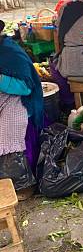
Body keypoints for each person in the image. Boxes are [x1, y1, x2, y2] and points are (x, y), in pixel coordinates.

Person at [0, 19, 44, 182]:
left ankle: (19, 181)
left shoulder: (10, 52)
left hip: (22, 101)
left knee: (8, 125)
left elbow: (26, 87)